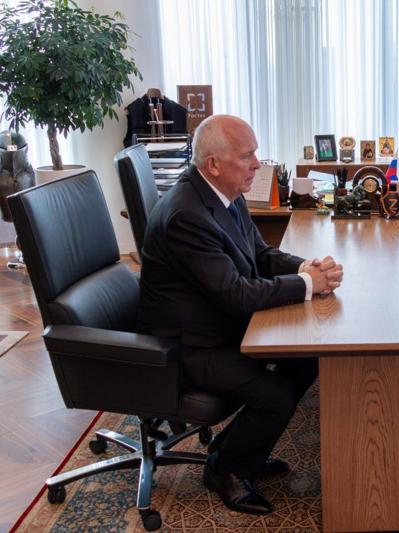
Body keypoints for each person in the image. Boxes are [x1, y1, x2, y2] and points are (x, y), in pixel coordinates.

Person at [138, 114, 343, 516]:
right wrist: (308, 284)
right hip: (189, 345)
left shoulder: (223, 194)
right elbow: (236, 294)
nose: (257, 164)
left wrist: (307, 268)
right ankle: (226, 470)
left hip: (217, 323)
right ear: (213, 164)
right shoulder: (187, 215)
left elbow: (260, 255)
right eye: (247, 155)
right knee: (275, 397)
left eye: (255, 153)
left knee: (306, 359)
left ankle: (235, 449)